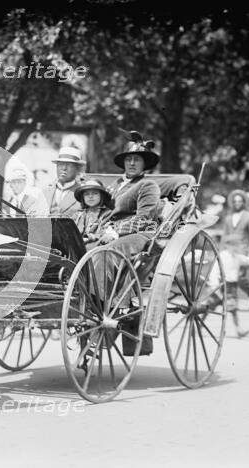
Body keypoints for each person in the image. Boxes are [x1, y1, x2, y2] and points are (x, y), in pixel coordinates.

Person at [94, 131, 162, 356]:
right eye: (128, 159)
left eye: (137, 159)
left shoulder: (148, 186)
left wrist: (116, 231)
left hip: (140, 235)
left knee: (110, 251)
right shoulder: (114, 186)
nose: (132, 163)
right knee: (82, 249)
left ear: (144, 164)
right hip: (109, 233)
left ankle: (104, 307)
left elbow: (145, 218)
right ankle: (83, 297)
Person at [216, 190, 249, 337]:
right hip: (229, 251)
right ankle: (233, 302)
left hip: (242, 251)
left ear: (244, 202)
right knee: (232, 281)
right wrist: (220, 251)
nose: (237, 203)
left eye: (240, 201)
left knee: (239, 276)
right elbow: (224, 236)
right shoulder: (229, 217)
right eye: (235, 201)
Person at [45, 146, 86, 217]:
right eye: (60, 164)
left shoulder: (83, 194)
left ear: (78, 169)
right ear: (56, 167)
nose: (64, 168)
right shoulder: (45, 192)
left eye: (69, 165)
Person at [72, 178, 112, 248]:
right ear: (83, 197)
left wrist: (88, 238)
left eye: (95, 193)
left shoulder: (107, 214)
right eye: (87, 194)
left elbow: (106, 234)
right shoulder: (78, 215)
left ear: (101, 196)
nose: (90, 196)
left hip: (96, 249)